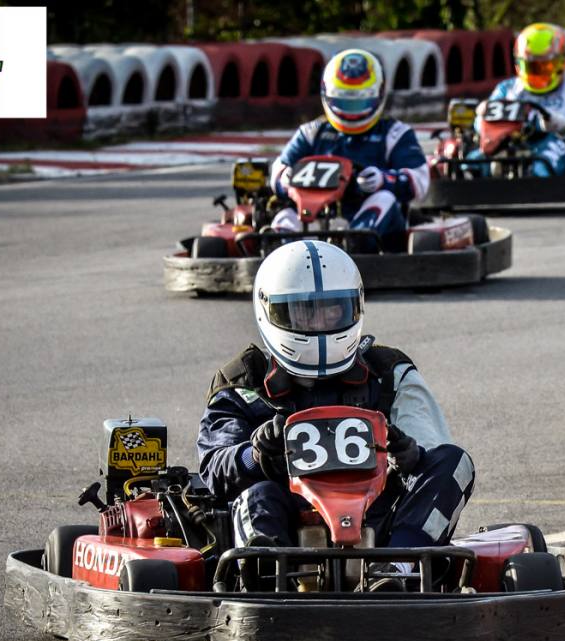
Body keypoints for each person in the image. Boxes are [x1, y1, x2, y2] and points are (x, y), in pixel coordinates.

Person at [196, 240, 474, 576]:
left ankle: (396, 569)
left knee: (455, 462)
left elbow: (431, 454)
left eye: (332, 309)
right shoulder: (243, 381)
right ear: (271, 311)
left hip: (378, 515)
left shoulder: (389, 373)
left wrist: (409, 457)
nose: (320, 324)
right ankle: (269, 580)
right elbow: (214, 468)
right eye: (305, 311)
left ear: (354, 307)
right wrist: (254, 455)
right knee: (257, 494)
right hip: (286, 512)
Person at [268, 49, 429, 247]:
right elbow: (278, 171)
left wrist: (383, 180)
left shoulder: (395, 133)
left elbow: (420, 181)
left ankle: (352, 243)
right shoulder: (312, 132)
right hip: (312, 215)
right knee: (285, 214)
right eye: (344, 101)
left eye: (360, 101)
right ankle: (280, 250)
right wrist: (286, 179)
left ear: (378, 94)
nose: (352, 111)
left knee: (384, 198)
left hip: (377, 229)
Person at [470, 22, 565, 176]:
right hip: (510, 142)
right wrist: (483, 117)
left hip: (557, 142)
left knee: (543, 161)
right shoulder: (507, 89)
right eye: (531, 66)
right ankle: (475, 171)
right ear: (519, 63)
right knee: (472, 160)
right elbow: (481, 126)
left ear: (561, 62)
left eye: (545, 66)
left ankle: (534, 174)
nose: (538, 73)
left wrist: (562, 125)